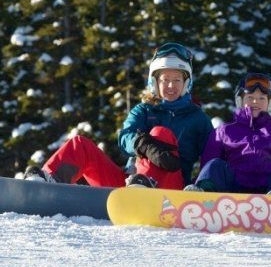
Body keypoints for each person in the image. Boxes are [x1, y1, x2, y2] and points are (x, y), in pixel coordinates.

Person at [25, 43, 214, 188]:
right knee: (80, 145)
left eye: (177, 80)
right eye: (165, 80)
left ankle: (146, 188)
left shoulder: (198, 119)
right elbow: (125, 138)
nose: (171, 86)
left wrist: (201, 190)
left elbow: (211, 158)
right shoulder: (144, 110)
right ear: (155, 82)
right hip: (129, 185)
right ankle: (48, 184)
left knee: (160, 133)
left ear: (186, 83)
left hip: (170, 192)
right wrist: (141, 144)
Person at [190, 72, 271, 195]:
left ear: (270, 104)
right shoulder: (224, 130)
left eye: (262, 98)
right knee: (215, 165)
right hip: (233, 188)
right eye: (250, 97)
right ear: (240, 101)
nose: (255, 101)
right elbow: (208, 163)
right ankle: (202, 192)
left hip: (270, 188)